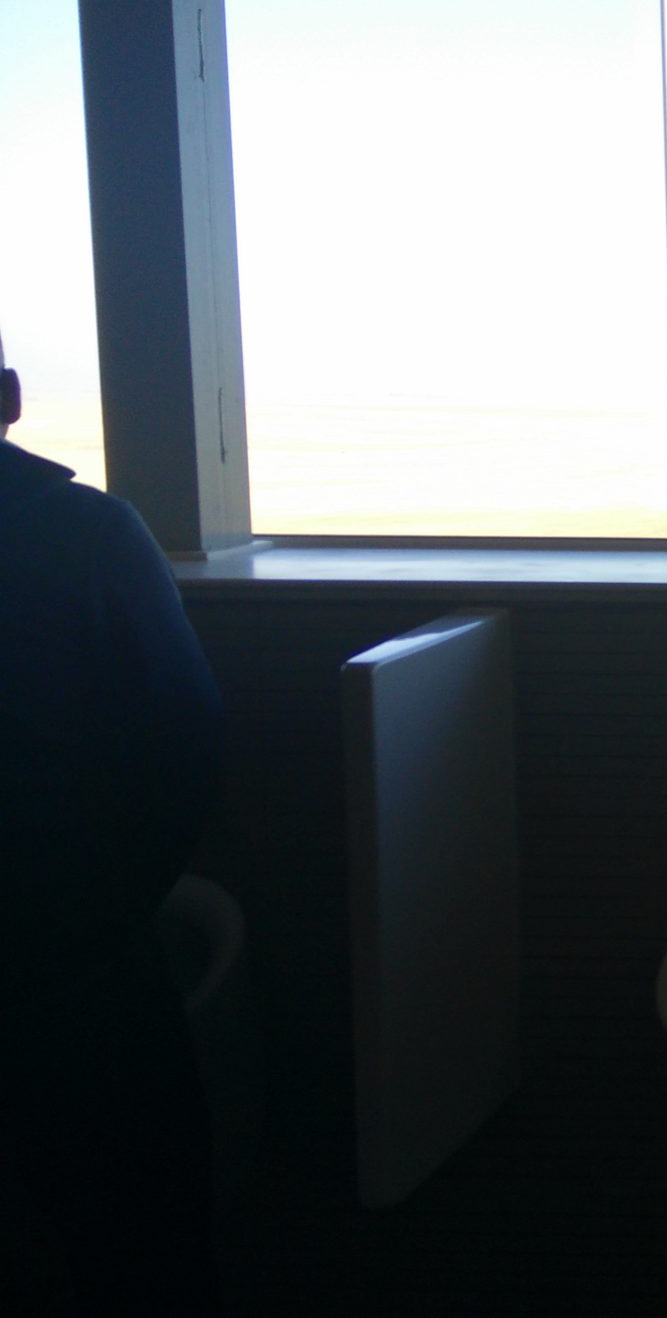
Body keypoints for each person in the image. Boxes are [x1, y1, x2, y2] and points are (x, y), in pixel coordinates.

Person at [0, 330, 225, 1314]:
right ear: (10, 396)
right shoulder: (87, 537)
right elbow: (184, 747)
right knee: (134, 1240)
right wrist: (105, 913)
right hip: (72, 966)